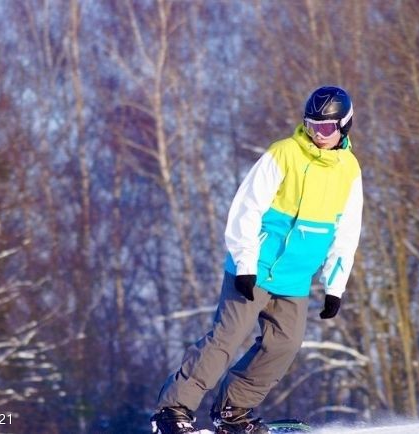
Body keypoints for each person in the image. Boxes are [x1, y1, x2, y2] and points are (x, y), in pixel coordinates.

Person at [150, 86, 363, 434]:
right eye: (311, 126)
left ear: (344, 126)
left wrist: (334, 286)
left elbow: (347, 232)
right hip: (255, 269)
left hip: (294, 279)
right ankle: (172, 411)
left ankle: (233, 411)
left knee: (284, 345)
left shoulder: (349, 171)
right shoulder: (283, 154)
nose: (317, 135)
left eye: (325, 128)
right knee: (226, 339)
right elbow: (245, 210)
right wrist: (245, 263)